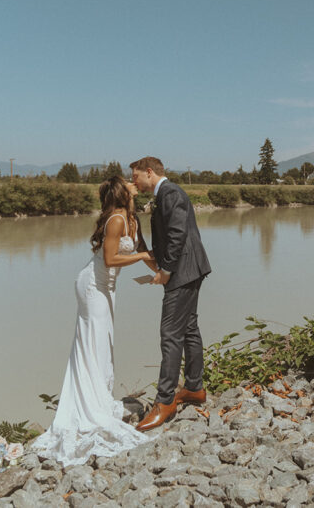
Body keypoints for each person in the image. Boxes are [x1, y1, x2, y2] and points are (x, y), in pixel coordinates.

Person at [31, 176, 153, 465]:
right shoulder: (115, 220)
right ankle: (88, 406)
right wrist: (142, 256)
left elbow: (146, 251)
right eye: (128, 181)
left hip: (108, 287)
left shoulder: (133, 218)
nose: (133, 182)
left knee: (104, 342)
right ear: (122, 191)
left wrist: (162, 273)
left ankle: (98, 397)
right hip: (93, 286)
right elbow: (110, 259)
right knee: (92, 343)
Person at [130, 156, 212, 432]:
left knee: (170, 334)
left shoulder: (170, 193)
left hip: (183, 271)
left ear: (149, 172)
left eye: (136, 177)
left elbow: (177, 234)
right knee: (188, 328)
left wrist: (165, 270)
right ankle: (194, 388)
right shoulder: (164, 194)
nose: (134, 182)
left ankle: (164, 402)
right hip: (188, 269)